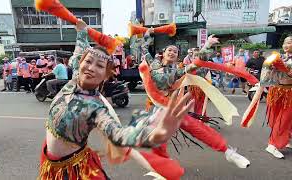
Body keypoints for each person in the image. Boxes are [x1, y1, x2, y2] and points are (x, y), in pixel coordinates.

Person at [38, 21, 194, 180]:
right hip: (50, 162)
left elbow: (119, 134)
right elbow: (80, 46)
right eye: (88, 62)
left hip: (75, 171)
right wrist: (82, 30)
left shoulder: (96, 108)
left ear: (106, 76)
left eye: (99, 66)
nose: (91, 68)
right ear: (80, 64)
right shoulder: (75, 78)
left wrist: (152, 135)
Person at [140, 28, 250, 170]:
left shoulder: (178, 70)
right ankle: (162, 163)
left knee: (196, 127)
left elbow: (196, 63)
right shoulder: (152, 63)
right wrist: (149, 32)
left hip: (170, 106)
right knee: (160, 137)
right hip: (155, 107)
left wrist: (207, 45)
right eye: (170, 50)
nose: (172, 53)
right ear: (164, 52)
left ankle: (228, 152)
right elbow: (144, 48)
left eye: (175, 52)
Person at [258, 36, 292, 158]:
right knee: (275, 118)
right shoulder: (278, 57)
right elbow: (266, 73)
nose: (286, 45)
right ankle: (276, 142)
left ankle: (275, 143)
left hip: (289, 93)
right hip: (276, 91)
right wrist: (270, 65)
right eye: (285, 43)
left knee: (284, 119)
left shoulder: (283, 60)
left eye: (289, 42)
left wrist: (284, 67)